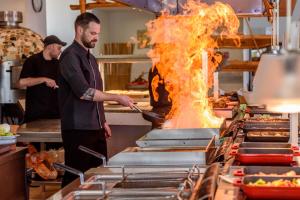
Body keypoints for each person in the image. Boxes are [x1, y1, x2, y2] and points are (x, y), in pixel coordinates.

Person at [58, 12, 134, 187]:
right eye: (92, 34)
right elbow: (84, 92)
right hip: (78, 129)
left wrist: (103, 120)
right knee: (77, 178)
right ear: (79, 30)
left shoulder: (91, 58)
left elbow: (97, 92)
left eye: (98, 34)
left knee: (98, 175)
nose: (96, 38)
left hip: (95, 127)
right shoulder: (69, 56)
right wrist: (117, 98)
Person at [18, 35, 66, 123]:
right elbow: (21, 82)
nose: (60, 51)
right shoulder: (32, 61)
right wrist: (44, 79)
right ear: (51, 46)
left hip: (55, 115)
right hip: (35, 116)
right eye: (59, 48)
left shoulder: (58, 64)